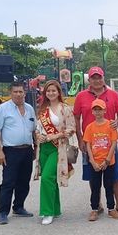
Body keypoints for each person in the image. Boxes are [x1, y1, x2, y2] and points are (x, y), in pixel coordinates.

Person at [74, 66, 118, 216]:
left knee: (115, 174)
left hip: (109, 143)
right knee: (93, 174)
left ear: (103, 78)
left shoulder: (113, 94)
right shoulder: (81, 96)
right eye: (93, 78)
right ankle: (97, 205)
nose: (97, 80)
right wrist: (80, 138)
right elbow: (76, 118)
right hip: (90, 143)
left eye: (99, 77)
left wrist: (117, 122)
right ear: (89, 80)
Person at [0, 82, 37, 225]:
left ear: (25, 93)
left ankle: (18, 207)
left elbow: (34, 130)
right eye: (15, 91)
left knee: (24, 181)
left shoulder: (30, 109)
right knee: (8, 182)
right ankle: (3, 212)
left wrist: (36, 147)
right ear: (10, 93)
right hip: (11, 151)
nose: (18, 94)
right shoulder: (3, 109)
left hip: (27, 149)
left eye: (21, 91)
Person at [34, 80, 76, 225]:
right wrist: (38, 135)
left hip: (58, 148)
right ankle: (55, 209)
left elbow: (71, 128)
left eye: (53, 90)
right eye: (48, 91)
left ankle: (47, 212)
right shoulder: (42, 109)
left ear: (58, 92)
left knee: (46, 178)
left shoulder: (65, 108)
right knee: (50, 179)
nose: (51, 93)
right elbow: (38, 127)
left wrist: (55, 136)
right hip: (43, 148)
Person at [83, 99, 118, 221]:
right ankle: (95, 209)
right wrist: (92, 161)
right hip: (95, 162)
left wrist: (108, 160)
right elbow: (88, 145)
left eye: (100, 109)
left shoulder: (110, 125)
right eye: (95, 110)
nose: (98, 112)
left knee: (109, 186)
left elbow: (114, 143)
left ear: (105, 110)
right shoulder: (90, 127)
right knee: (95, 187)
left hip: (108, 162)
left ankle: (111, 209)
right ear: (92, 112)